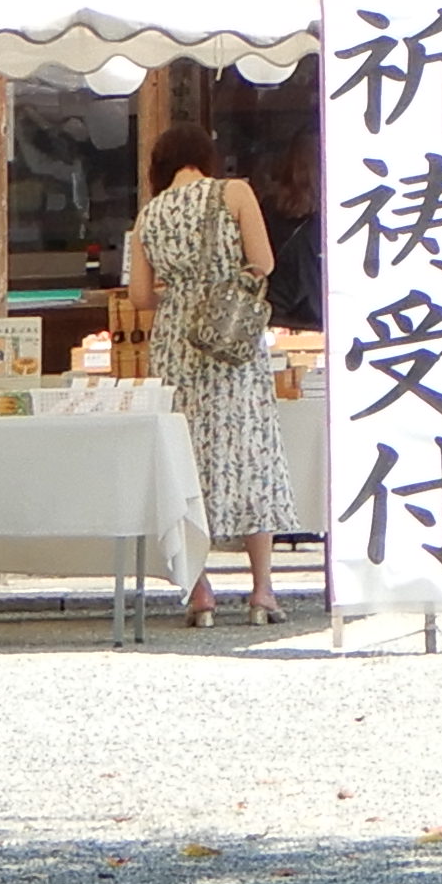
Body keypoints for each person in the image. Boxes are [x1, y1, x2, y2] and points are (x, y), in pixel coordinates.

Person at [125, 127, 295, 625]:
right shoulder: (234, 192)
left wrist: (180, 293)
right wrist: (222, 282)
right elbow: (263, 263)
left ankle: (200, 592)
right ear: (204, 158)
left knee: (185, 460)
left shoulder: (148, 215)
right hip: (231, 336)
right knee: (250, 453)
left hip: (176, 342)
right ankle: (262, 591)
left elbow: (140, 297)